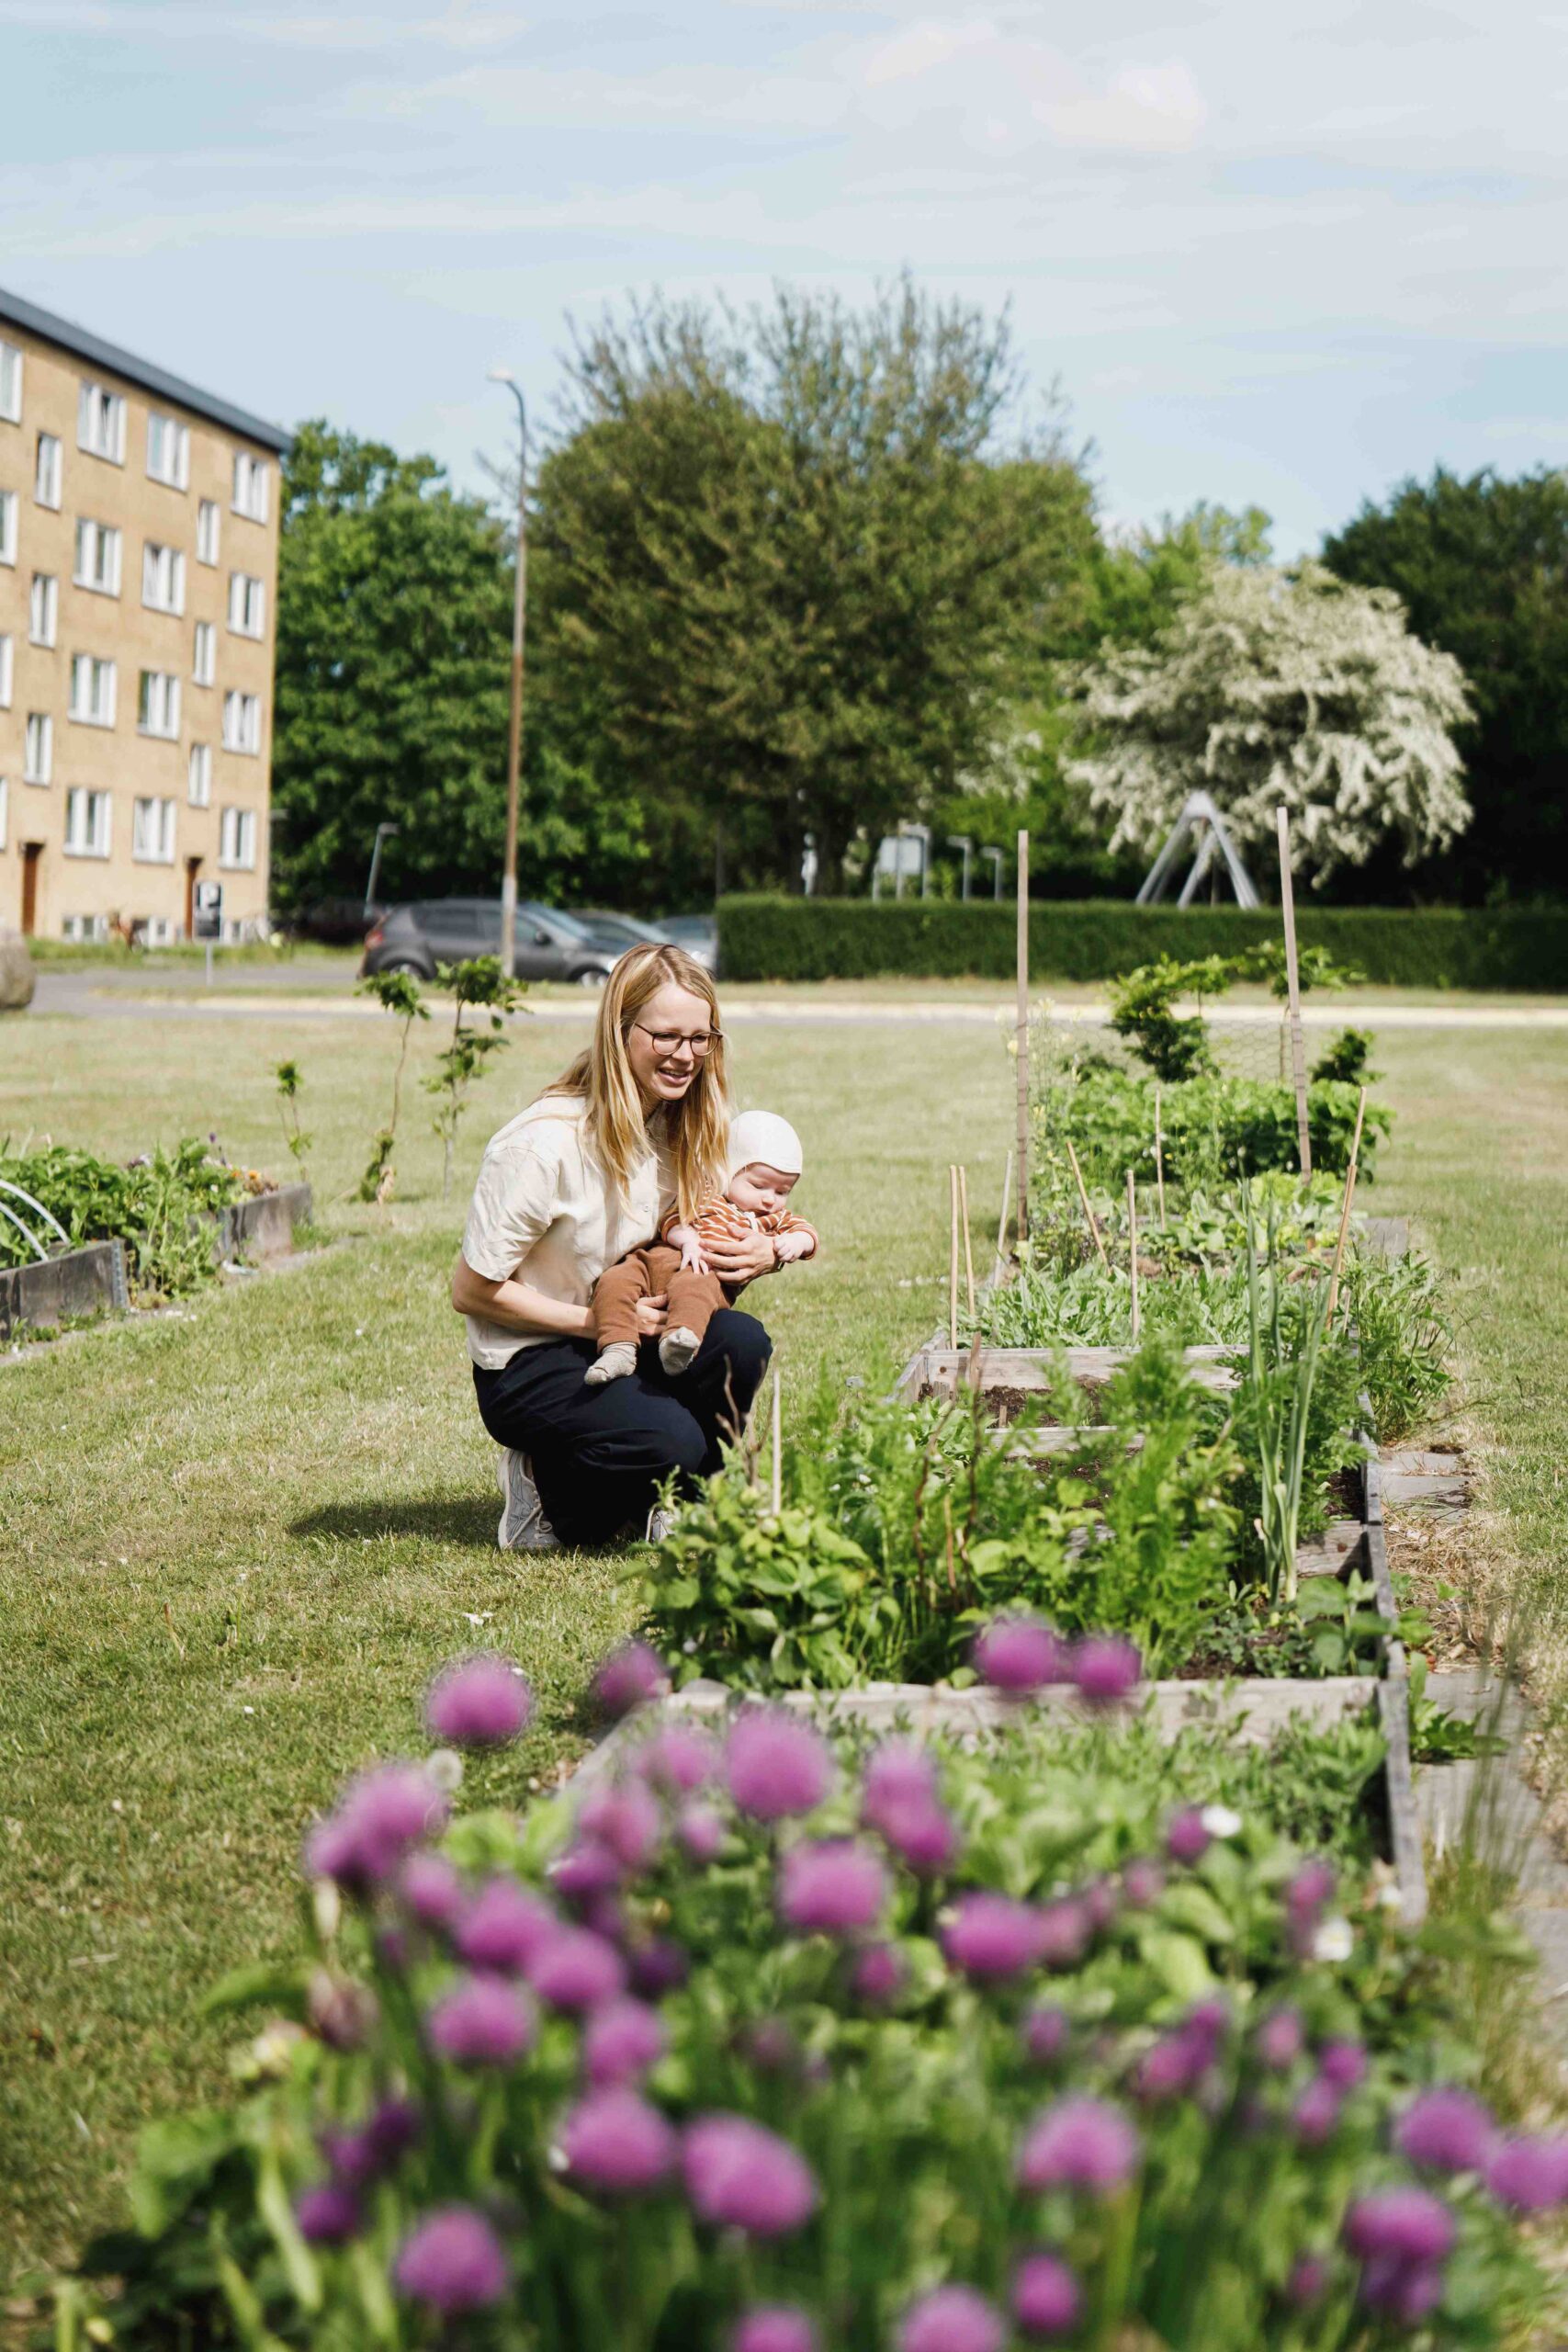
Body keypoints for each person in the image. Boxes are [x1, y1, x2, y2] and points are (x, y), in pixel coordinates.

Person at [451, 944, 775, 1552]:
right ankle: (544, 1488)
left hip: (627, 1334)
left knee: (741, 1342)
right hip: (532, 1359)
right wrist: (599, 1319)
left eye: (701, 1038)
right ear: (620, 1030)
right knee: (673, 1442)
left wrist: (763, 1253)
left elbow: (693, 1262)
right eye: (667, 1036)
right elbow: (470, 1291)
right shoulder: (542, 1145)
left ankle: (678, 1506)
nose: (685, 1056)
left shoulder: (680, 1125)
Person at [585, 1109, 817, 1385]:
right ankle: (618, 1347)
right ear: (727, 1171)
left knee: (694, 1292)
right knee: (615, 1279)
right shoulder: (705, 1194)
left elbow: (807, 1232)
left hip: (703, 1272)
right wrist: (687, 1239)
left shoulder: (772, 1219)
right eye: (759, 1185)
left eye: (782, 1192)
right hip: (656, 1260)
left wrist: (794, 1243)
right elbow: (672, 1219)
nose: (769, 1199)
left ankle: (679, 1344)